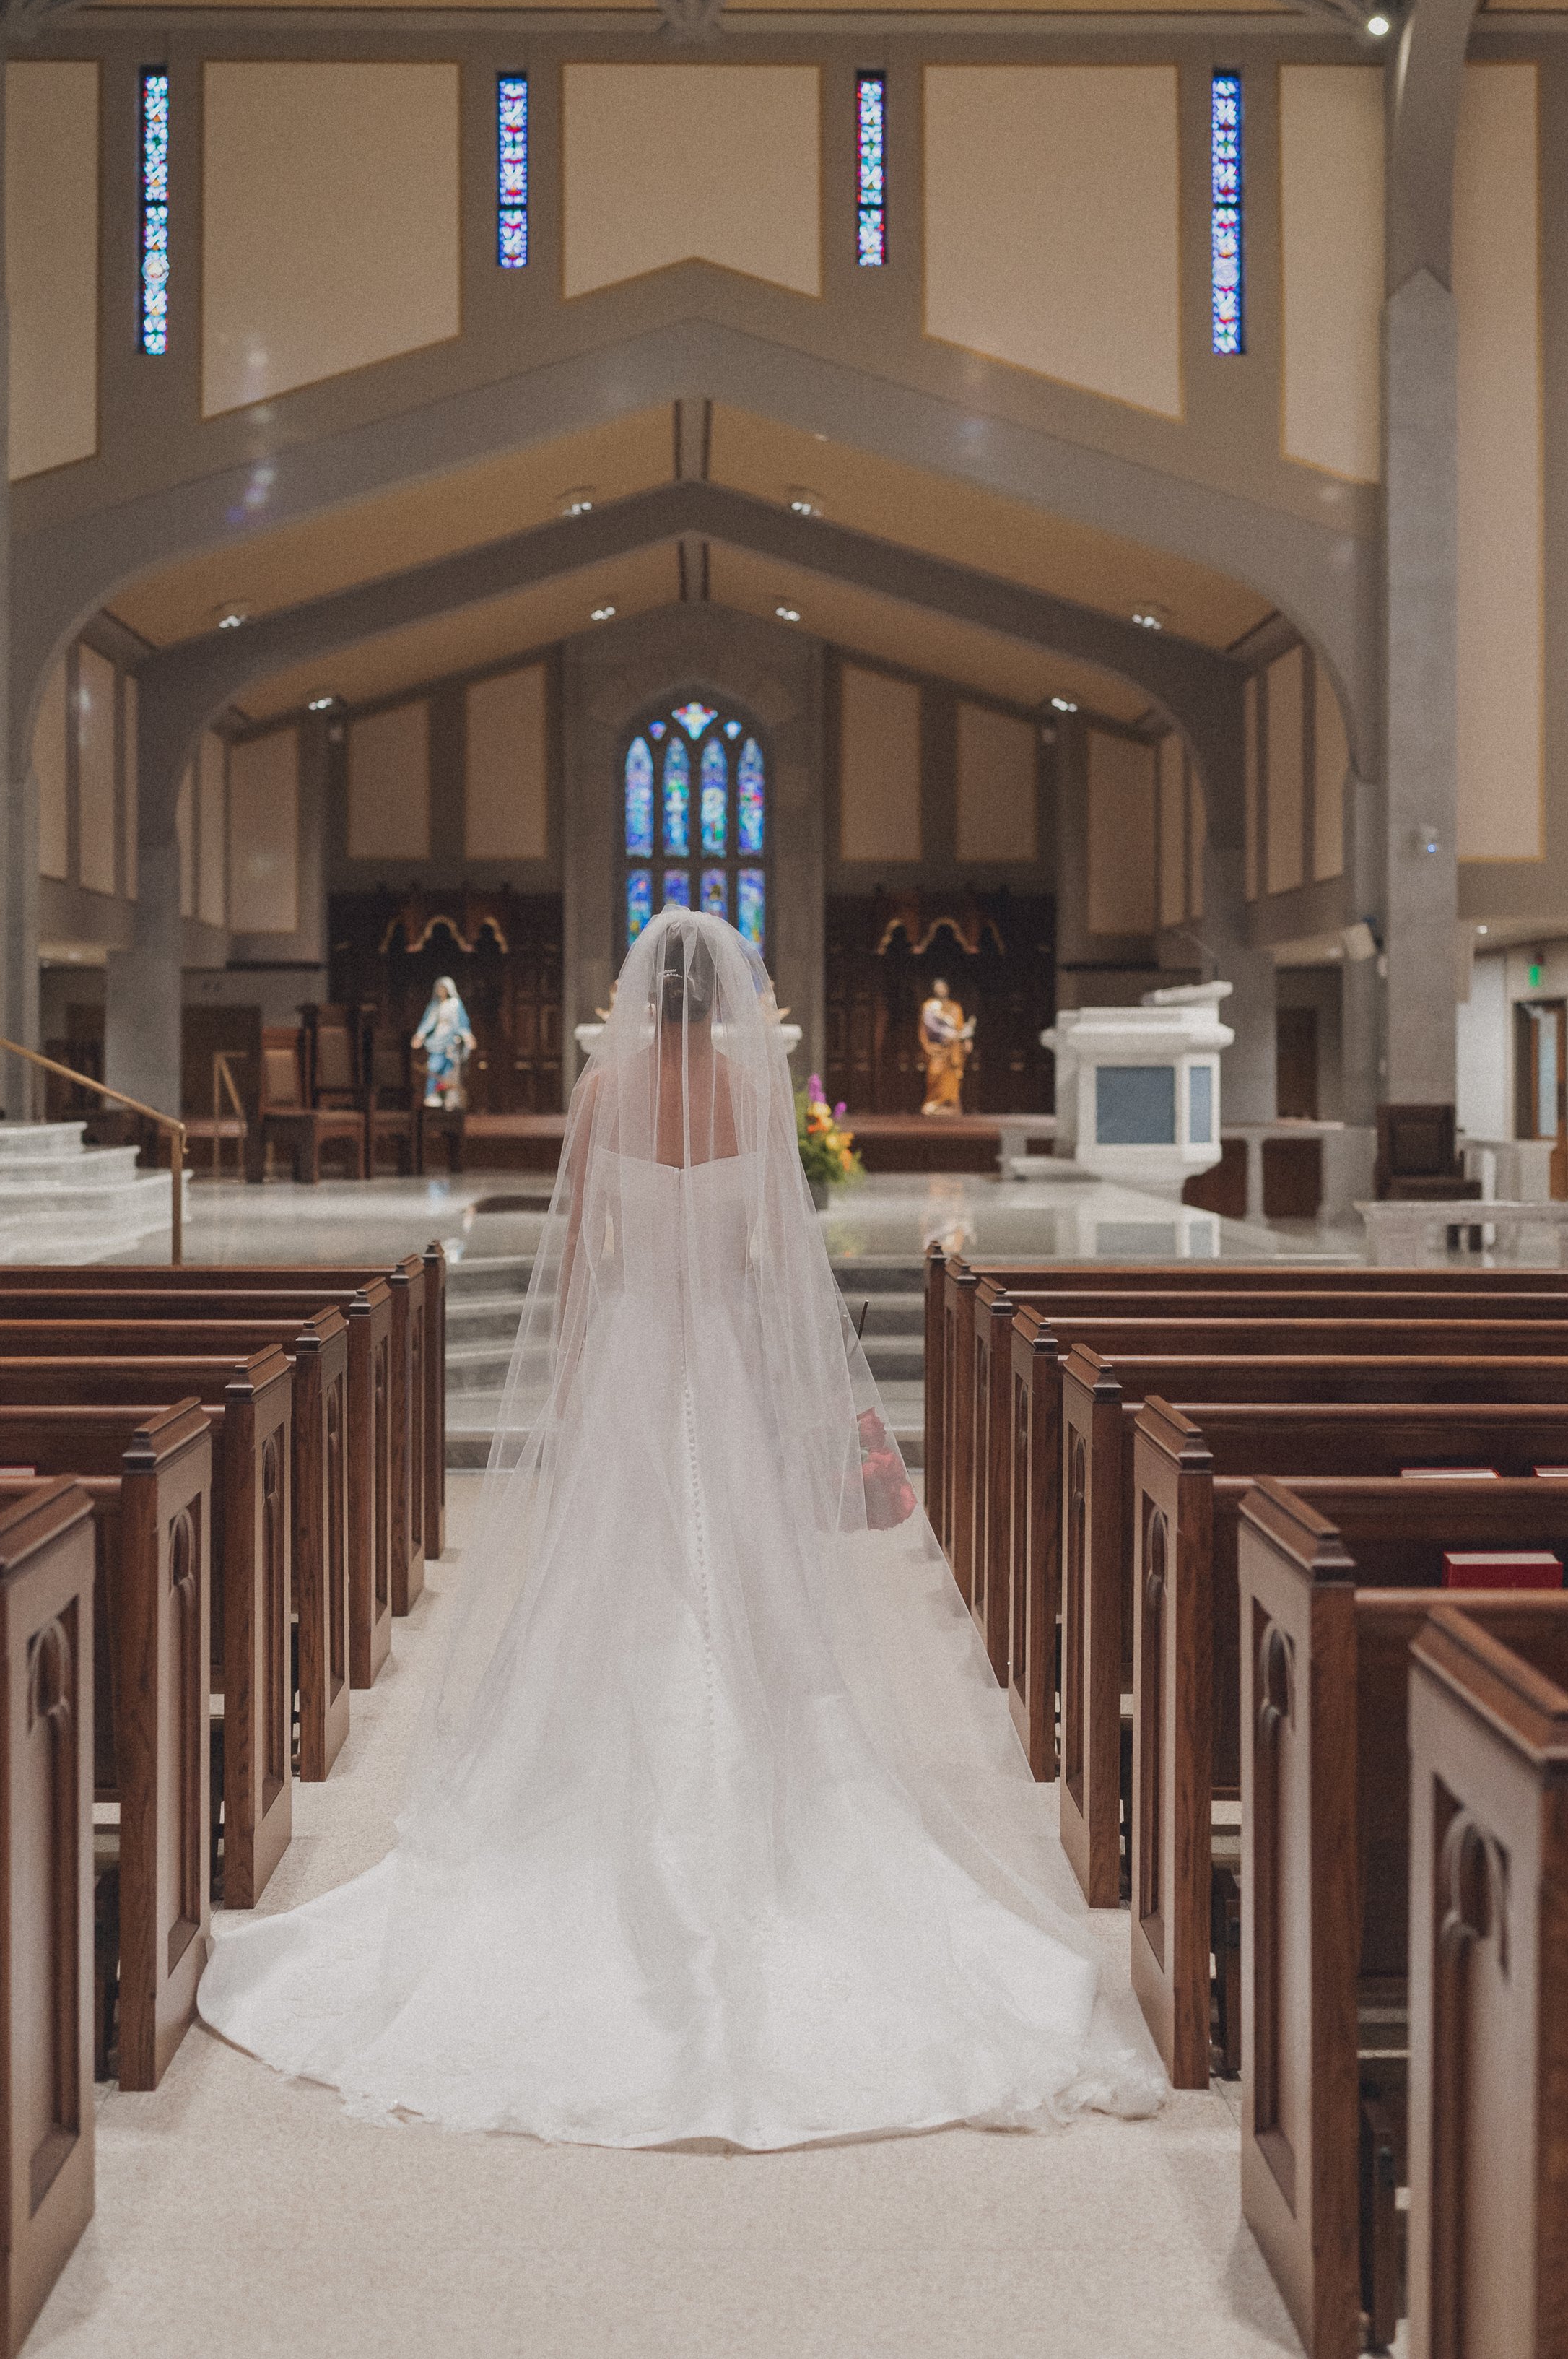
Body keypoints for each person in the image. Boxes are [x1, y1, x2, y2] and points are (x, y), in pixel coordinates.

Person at [199, 910, 1164, 2146]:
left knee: (612, 1582)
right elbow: (771, 1270)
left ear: (648, 995)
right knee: (742, 1586)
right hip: (716, 1354)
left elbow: (586, 1263)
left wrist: (576, 1373)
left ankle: (602, 1804)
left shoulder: (606, 1093)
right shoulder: (757, 1102)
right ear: (734, 1001)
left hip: (635, 1357)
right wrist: (779, 1392)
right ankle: (764, 1808)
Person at [412, 972, 474, 1108]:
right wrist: (420, 1035)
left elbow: (461, 1023)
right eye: (439, 988)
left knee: (449, 1071)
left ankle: (447, 1098)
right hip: (436, 1043)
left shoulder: (455, 1004)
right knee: (434, 1069)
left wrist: (467, 1035)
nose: (441, 991)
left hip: (450, 1042)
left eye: (444, 988)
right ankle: (432, 1097)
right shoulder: (434, 1005)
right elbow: (427, 1022)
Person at [920, 977, 974, 1116]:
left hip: (953, 1050)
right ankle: (934, 1105)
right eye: (938, 987)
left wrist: (966, 1039)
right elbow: (929, 1028)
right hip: (937, 1049)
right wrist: (947, 1034)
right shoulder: (930, 1006)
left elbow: (960, 1027)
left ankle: (951, 1105)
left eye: (943, 987)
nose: (941, 990)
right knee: (935, 1075)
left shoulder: (955, 1007)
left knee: (952, 1079)